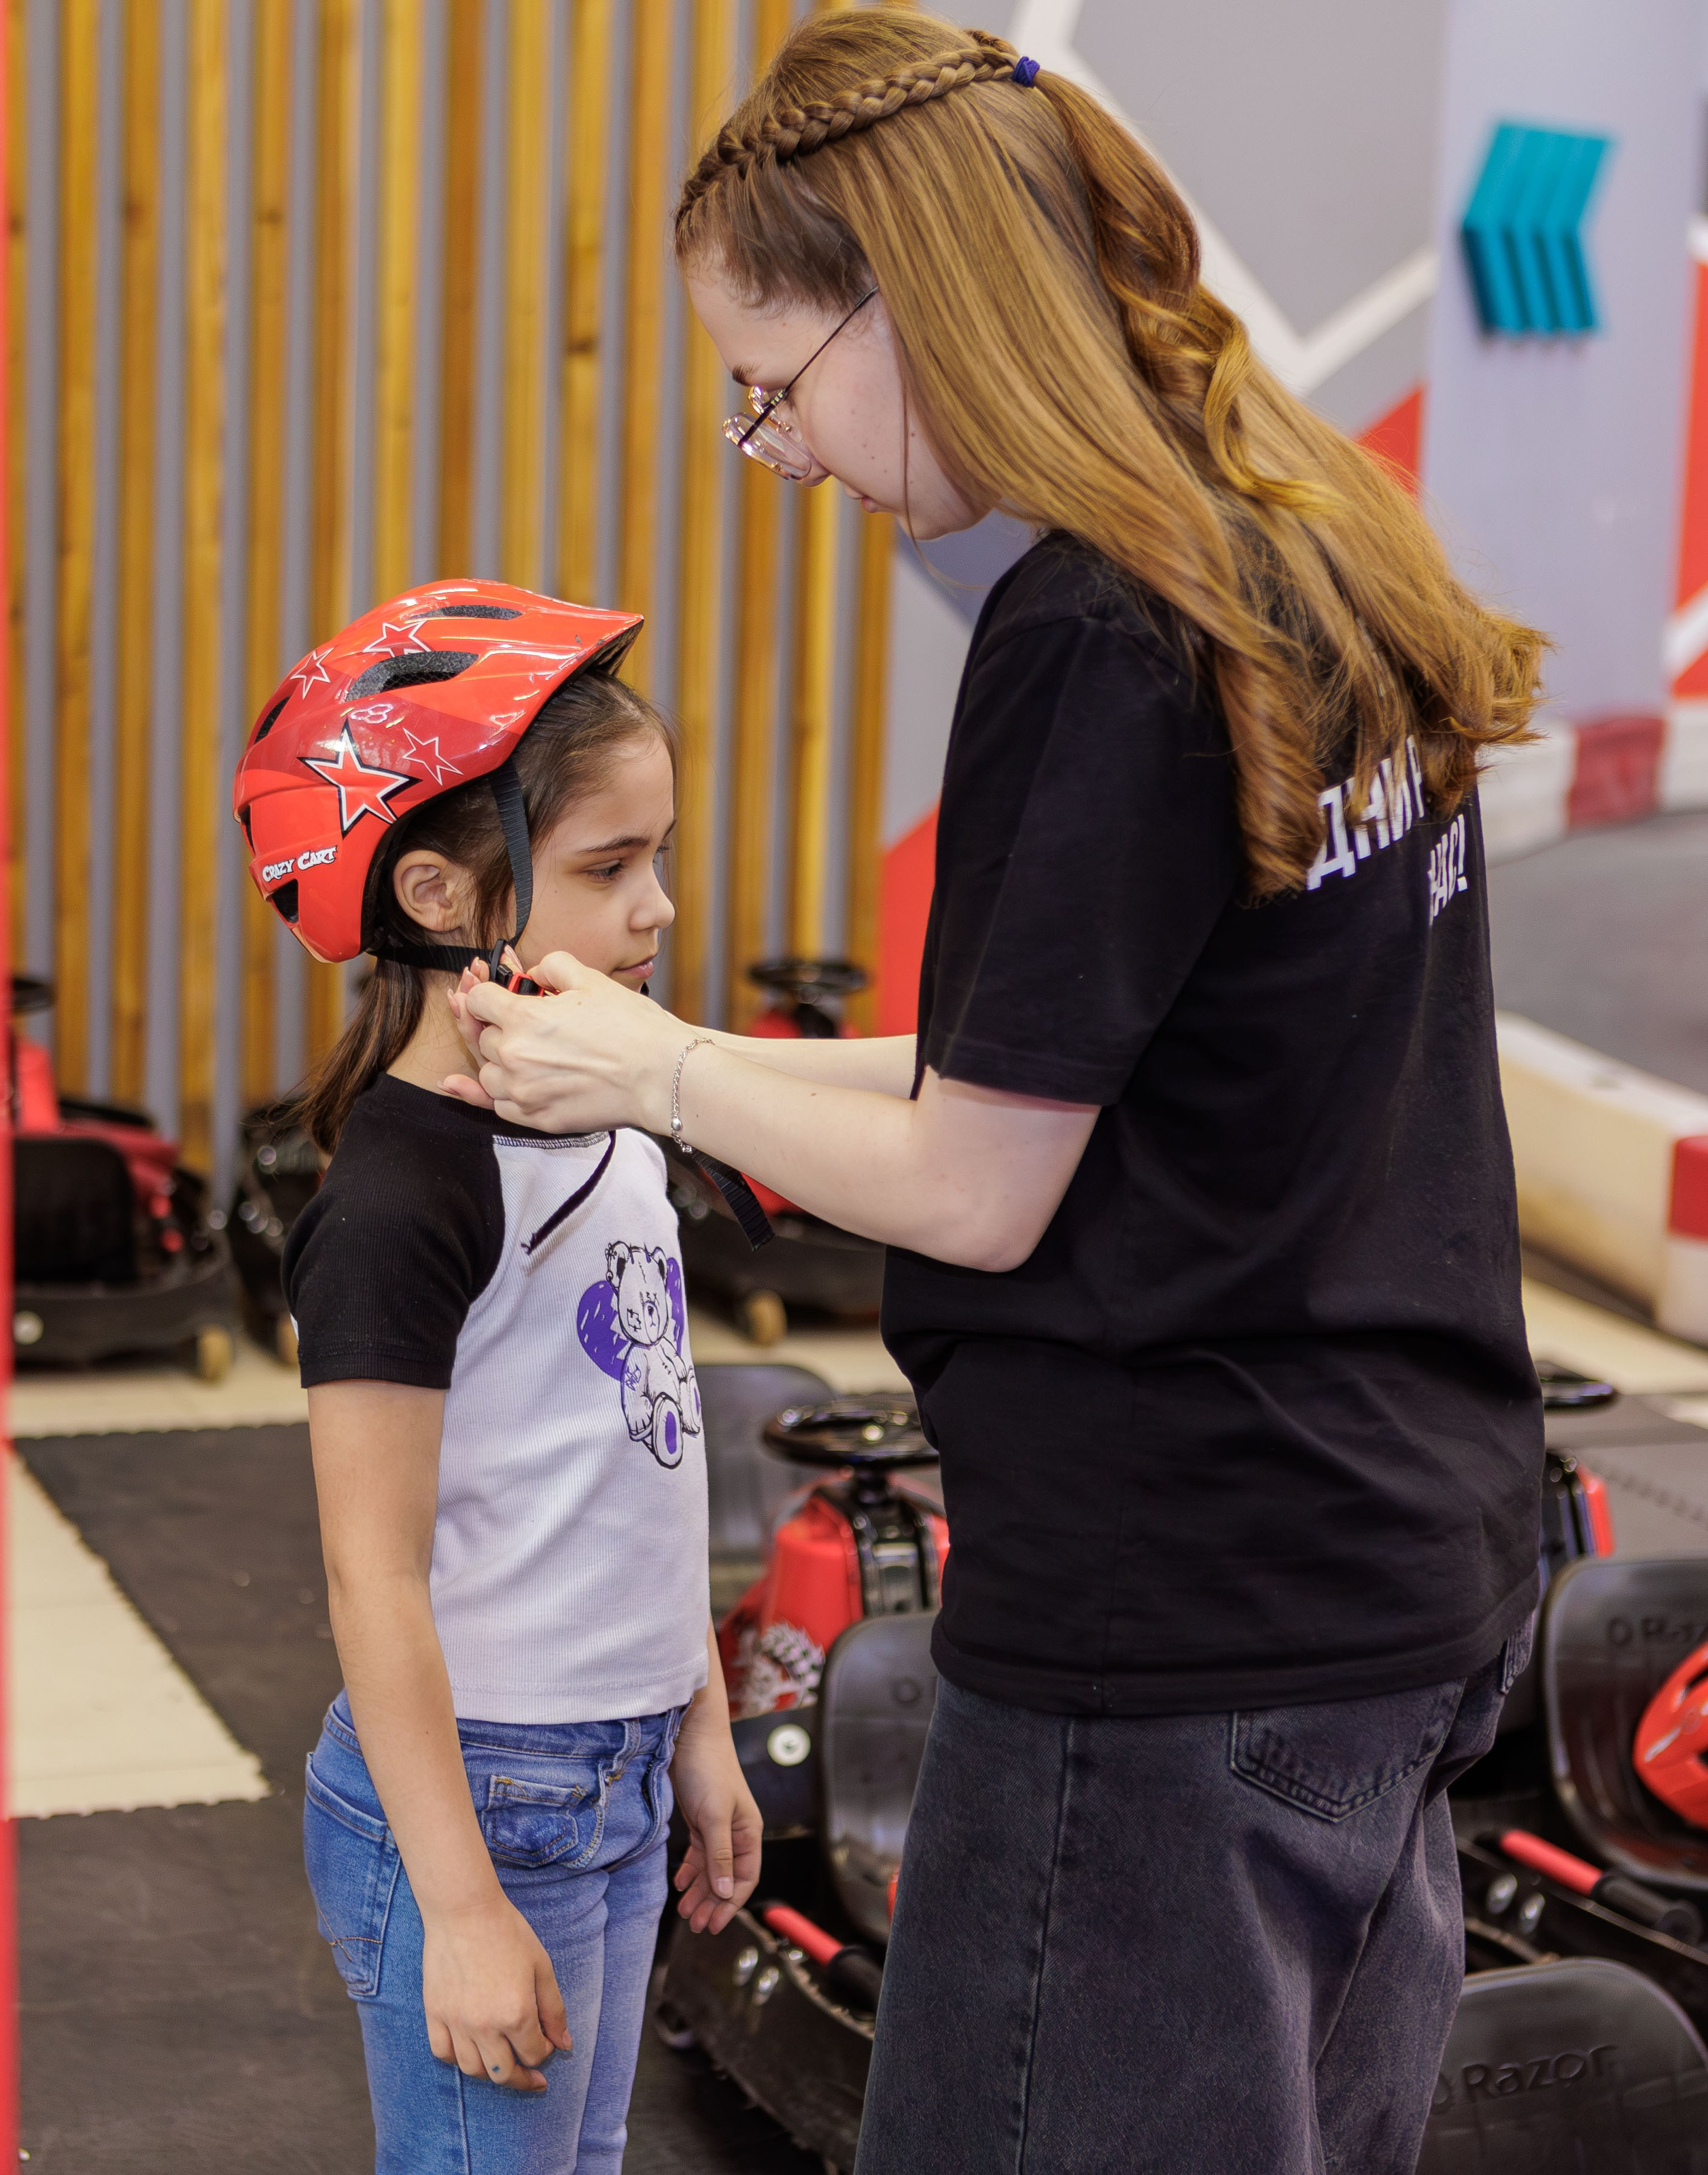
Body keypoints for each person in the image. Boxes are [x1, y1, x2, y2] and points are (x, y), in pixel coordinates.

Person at [445, 14, 1547, 2173]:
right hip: (1409, 1561)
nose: (785, 453)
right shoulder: (1304, 541)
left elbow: (975, 1182)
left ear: (911, 299)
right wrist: (681, 1069)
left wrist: (666, 1071)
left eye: (774, 387)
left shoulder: (1099, 631)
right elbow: (1088, 1055)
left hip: (1185, 1616)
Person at [232, 582, 761, 2175]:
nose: (658, 907)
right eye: (608, 867)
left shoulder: (612, 1118)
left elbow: (645, 1453)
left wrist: (697, 1720)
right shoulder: (400, 1202)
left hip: (612, 1767)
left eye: (658, 856)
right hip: (479, 1800)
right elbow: (370, 1571)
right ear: (438, 894)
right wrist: (458, 1905)